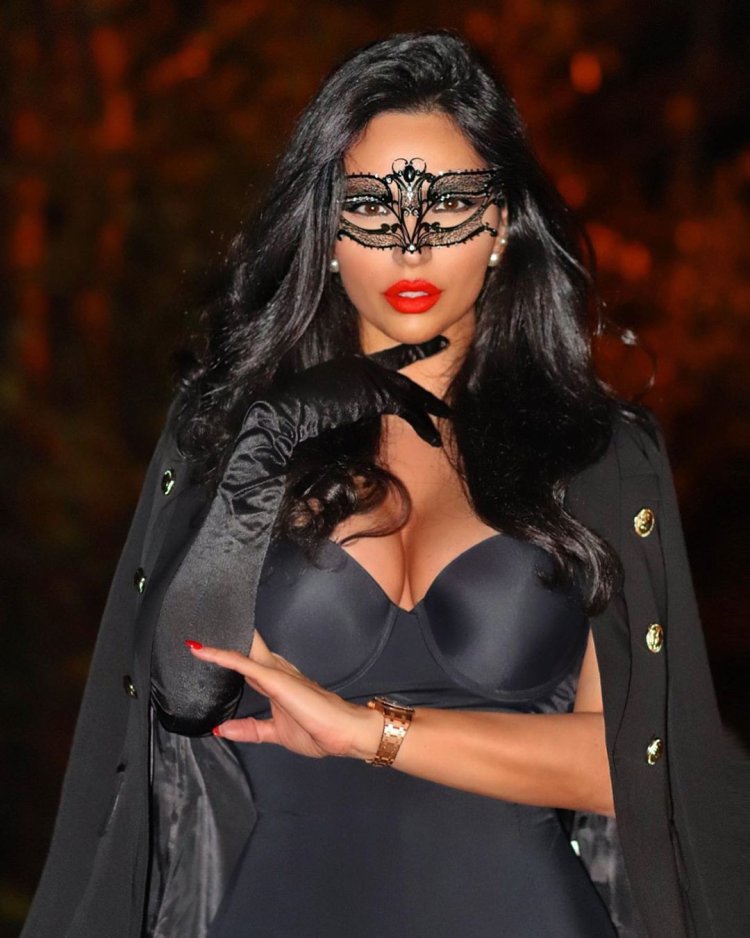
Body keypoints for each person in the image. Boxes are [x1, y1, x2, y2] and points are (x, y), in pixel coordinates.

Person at [22, 30, 748, 938]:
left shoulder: (598, 454)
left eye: (449, 204)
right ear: (326, 230)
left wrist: (369, 732)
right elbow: (187, 695)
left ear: (500, 226)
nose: (411, 246)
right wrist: (262, 452)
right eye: (370, 205)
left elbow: (627, 767)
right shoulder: (235, 430)